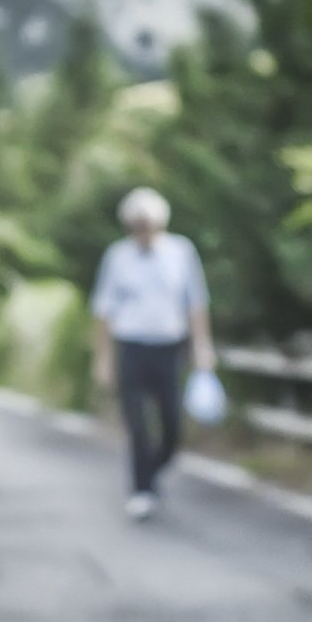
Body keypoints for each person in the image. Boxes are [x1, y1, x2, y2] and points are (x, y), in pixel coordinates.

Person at [88, 186, 217, 520]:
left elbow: (196, 304)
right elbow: (103, 310)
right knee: (137, 423)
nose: (143, 230)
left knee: (172, 422)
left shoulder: (180, 252)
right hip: (131, 347)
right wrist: (103, 359)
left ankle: (153, 470)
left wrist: (202, 346)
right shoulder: (117, 257)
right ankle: (141, 488)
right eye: (138, 224)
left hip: (168, 349)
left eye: (149, 223)